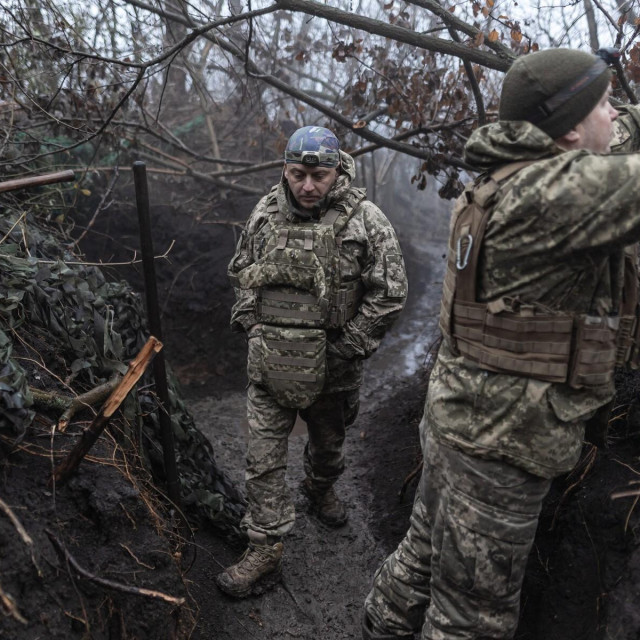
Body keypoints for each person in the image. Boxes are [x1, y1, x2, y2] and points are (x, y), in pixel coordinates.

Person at [362, 47, 640, 639]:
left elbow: (612, 142)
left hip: (462, 416)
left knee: (421, 555)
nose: (615, 114)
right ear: (567, 128)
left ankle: (376, 628)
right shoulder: (554, 194)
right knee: (471, 620)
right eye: (605, 104)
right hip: (500, 442)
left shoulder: (506, 178)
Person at [216, 125, 408, 597]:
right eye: (298, 173)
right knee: (262, 458)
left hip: (336, 368)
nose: (307, 185)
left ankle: (319, 488)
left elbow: (390, 295)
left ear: (336, 171)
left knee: (328, 446)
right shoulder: (264, 214)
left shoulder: (366, 221)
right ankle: (264, 545)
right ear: (285, 169)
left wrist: (348, 346)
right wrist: (252, 325)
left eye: (318, 175)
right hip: (270, 360)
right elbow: (242, 275)